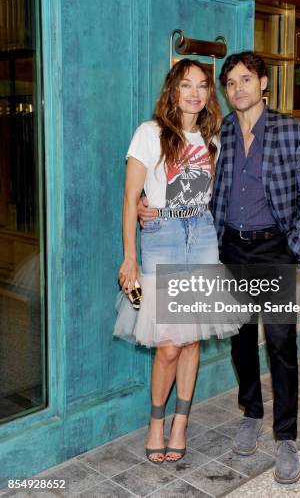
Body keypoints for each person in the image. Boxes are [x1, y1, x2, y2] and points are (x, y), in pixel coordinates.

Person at [139, 51, 300, 483]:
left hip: (274, 249)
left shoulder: (293, 132)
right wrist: (147, 203)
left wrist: (291, 247)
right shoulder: (216, 133)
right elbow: (182, 179)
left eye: (246, 79)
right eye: (231, 83)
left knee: (280, 343)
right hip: (229, 252)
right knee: (240, 342)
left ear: (264, 84)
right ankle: (251, 413)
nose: (237, 89)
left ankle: (286, 437)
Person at [115, 58, 243, 465]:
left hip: (202, 237)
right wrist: (129, 258)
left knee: (191, 339)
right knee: (168, 345)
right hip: (162, 239)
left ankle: (181, 422)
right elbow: (130, 199)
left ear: (209, 94)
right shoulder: (149, 134)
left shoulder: (212, 138)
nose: (194, 93)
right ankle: (156, 422)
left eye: (202, 86)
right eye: (186, 85)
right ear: (173, 90)